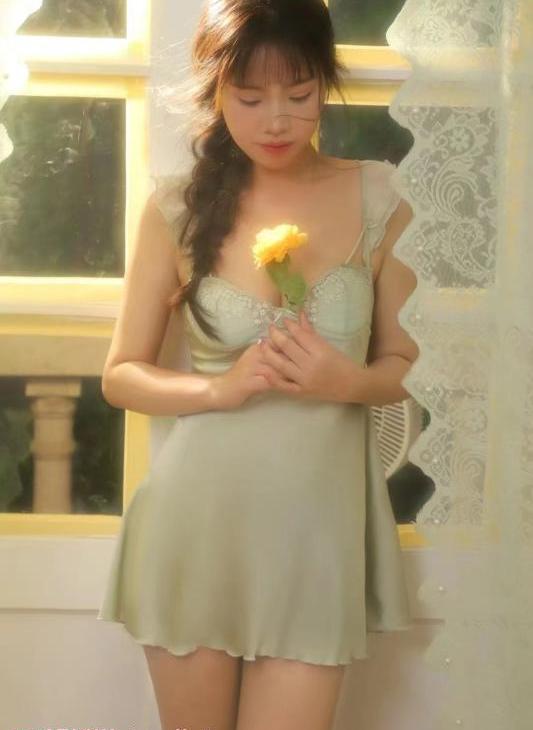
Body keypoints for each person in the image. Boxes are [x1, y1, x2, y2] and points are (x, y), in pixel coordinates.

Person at [97, 1, 419, 728]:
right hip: (194, 527)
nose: (276, 119)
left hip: (316, 539)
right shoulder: (176, 209)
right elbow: (121, 375)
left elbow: (406, 361)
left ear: (324, 85)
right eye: (249, 98)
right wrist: (220, 389)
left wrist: (349, 383)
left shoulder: (380, 197)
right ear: (217, 92)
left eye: (298, 95)